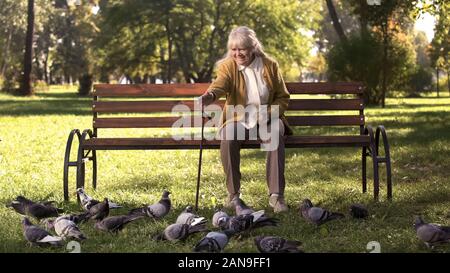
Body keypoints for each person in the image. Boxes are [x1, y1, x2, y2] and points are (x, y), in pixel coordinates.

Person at [199, 26, 292, 213]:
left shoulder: (270, 65)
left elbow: (283, 97)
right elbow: (220, 85)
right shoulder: (227, 66)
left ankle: (276, 196)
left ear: (252, 47)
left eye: (242, 49)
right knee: (229, 135)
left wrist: (271, 113)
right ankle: (233, 195)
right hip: (239, 117)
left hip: (268, 116)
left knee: (274, 134)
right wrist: (209, 96)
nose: (237, 53)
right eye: (234, 49)